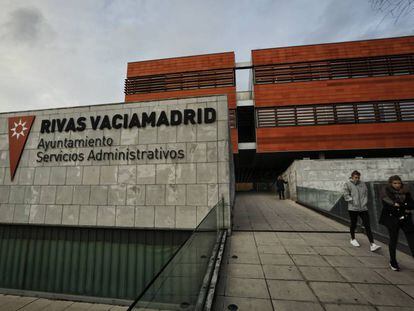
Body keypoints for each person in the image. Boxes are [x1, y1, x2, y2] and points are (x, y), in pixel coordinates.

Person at [379, 175, 414, 271]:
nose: (397, 185)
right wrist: (404, 207)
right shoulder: (385, 193)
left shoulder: (406, 192)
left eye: (399, 183)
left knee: (412, 240)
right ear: (390, 184)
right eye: (395, 183)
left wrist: (399, 205)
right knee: (393, 240)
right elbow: (388, 207)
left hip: (406, 220)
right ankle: (393, 261)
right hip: (392, 220)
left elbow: (412, 204)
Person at [343, 170, 381, 252]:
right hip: (353, 208)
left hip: (363, 208)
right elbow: (346, 195)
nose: (357, 179)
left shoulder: (362, 184)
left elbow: (366, 194)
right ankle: (353, 239)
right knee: (353, 224)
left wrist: (365, 202)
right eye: (355, 177)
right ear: (352, 177)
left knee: (367, 225)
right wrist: (352, 201)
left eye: (358, 177)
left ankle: (372, 244)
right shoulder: (348, 184)